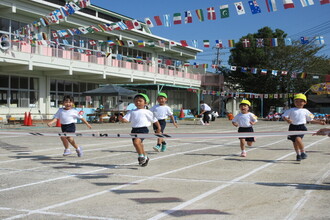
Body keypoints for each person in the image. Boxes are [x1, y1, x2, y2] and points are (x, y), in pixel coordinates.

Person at [120, 93, 161, 167]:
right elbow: (126, 120)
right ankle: (146, 157)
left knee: (136, 142)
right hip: (134, 130)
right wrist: (122, 119)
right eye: (136, 101)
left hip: (143, 129)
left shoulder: (147, 112)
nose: (137, 103)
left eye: (140, 101)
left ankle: (141, 156)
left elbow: (155, 120)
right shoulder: (132, 111)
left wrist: (158, 128)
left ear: (145, 103)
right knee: (139, 145)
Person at [282, 93, 326, 161]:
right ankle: (298, 154)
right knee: (294, 142)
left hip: (301, 127)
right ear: (294, 102)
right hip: (292, 127)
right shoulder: (291, 110)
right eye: (296, 101)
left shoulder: (306, 111)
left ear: (305, 102)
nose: (298, 103)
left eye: (301, 101)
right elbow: (284, 116)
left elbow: (311, 119)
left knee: (298, 139)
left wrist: (319, 122)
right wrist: (287, 120)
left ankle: (303, 152)